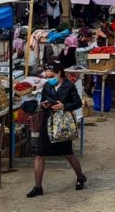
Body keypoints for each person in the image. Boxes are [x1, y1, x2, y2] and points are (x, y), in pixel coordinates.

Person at [27, 62, 86, 197]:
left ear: (60, 72)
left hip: (62, 124)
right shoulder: (48, 85)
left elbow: (77, 103)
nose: (50, 78)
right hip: (47, 123)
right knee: (40, 154)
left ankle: (80, 176)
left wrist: (63, 106)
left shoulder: (69, 86)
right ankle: (37, 187)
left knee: (68, 153)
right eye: (48, 76)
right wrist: (44, 105)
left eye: (53, 75)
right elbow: (42, 101)